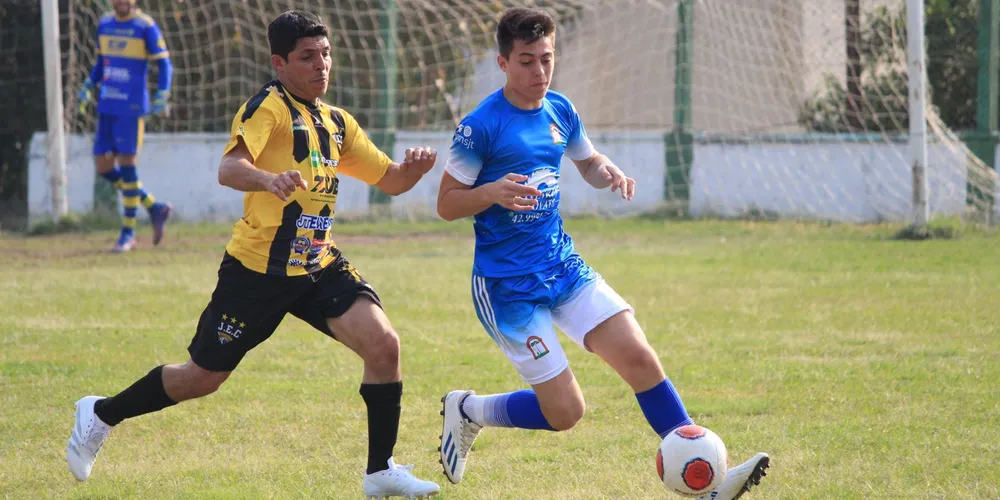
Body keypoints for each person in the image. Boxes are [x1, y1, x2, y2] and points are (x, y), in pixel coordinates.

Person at [67, 10, 441, 499]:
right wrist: (268, 179)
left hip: (316, 263)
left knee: (384, 346)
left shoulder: (336, 122)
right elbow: (229, 168)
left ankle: (380, 471)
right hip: (257, 271)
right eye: (308, 57)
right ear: (279, 63)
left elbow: (390, 181)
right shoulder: (267, 107)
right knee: (202, 378)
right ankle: (100, 413)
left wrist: (414, 169)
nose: (321, 65)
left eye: (325, 54)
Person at [435, 8, 769, 499]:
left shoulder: (559, 109)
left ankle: (706, 479)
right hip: (507, 286)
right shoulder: (480, 127)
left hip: (562, 265)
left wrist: (605, 170)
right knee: (566, 413)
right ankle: (468, 410)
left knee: (638, 356)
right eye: (526, 61)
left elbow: (585, 160)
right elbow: (445, 204)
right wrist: (491, 192)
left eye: (547, 59)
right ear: (503, 63)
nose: (539, 73)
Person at [76, 0, 174, 253]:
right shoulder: (105, 24)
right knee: (103, 166)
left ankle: (127, 234)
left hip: (131, 108)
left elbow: (164, 63)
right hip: (107, 104)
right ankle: (154, 207)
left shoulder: (145, 26)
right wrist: (88, 86)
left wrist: (162, 94)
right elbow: (101, 63)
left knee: (127, 167)